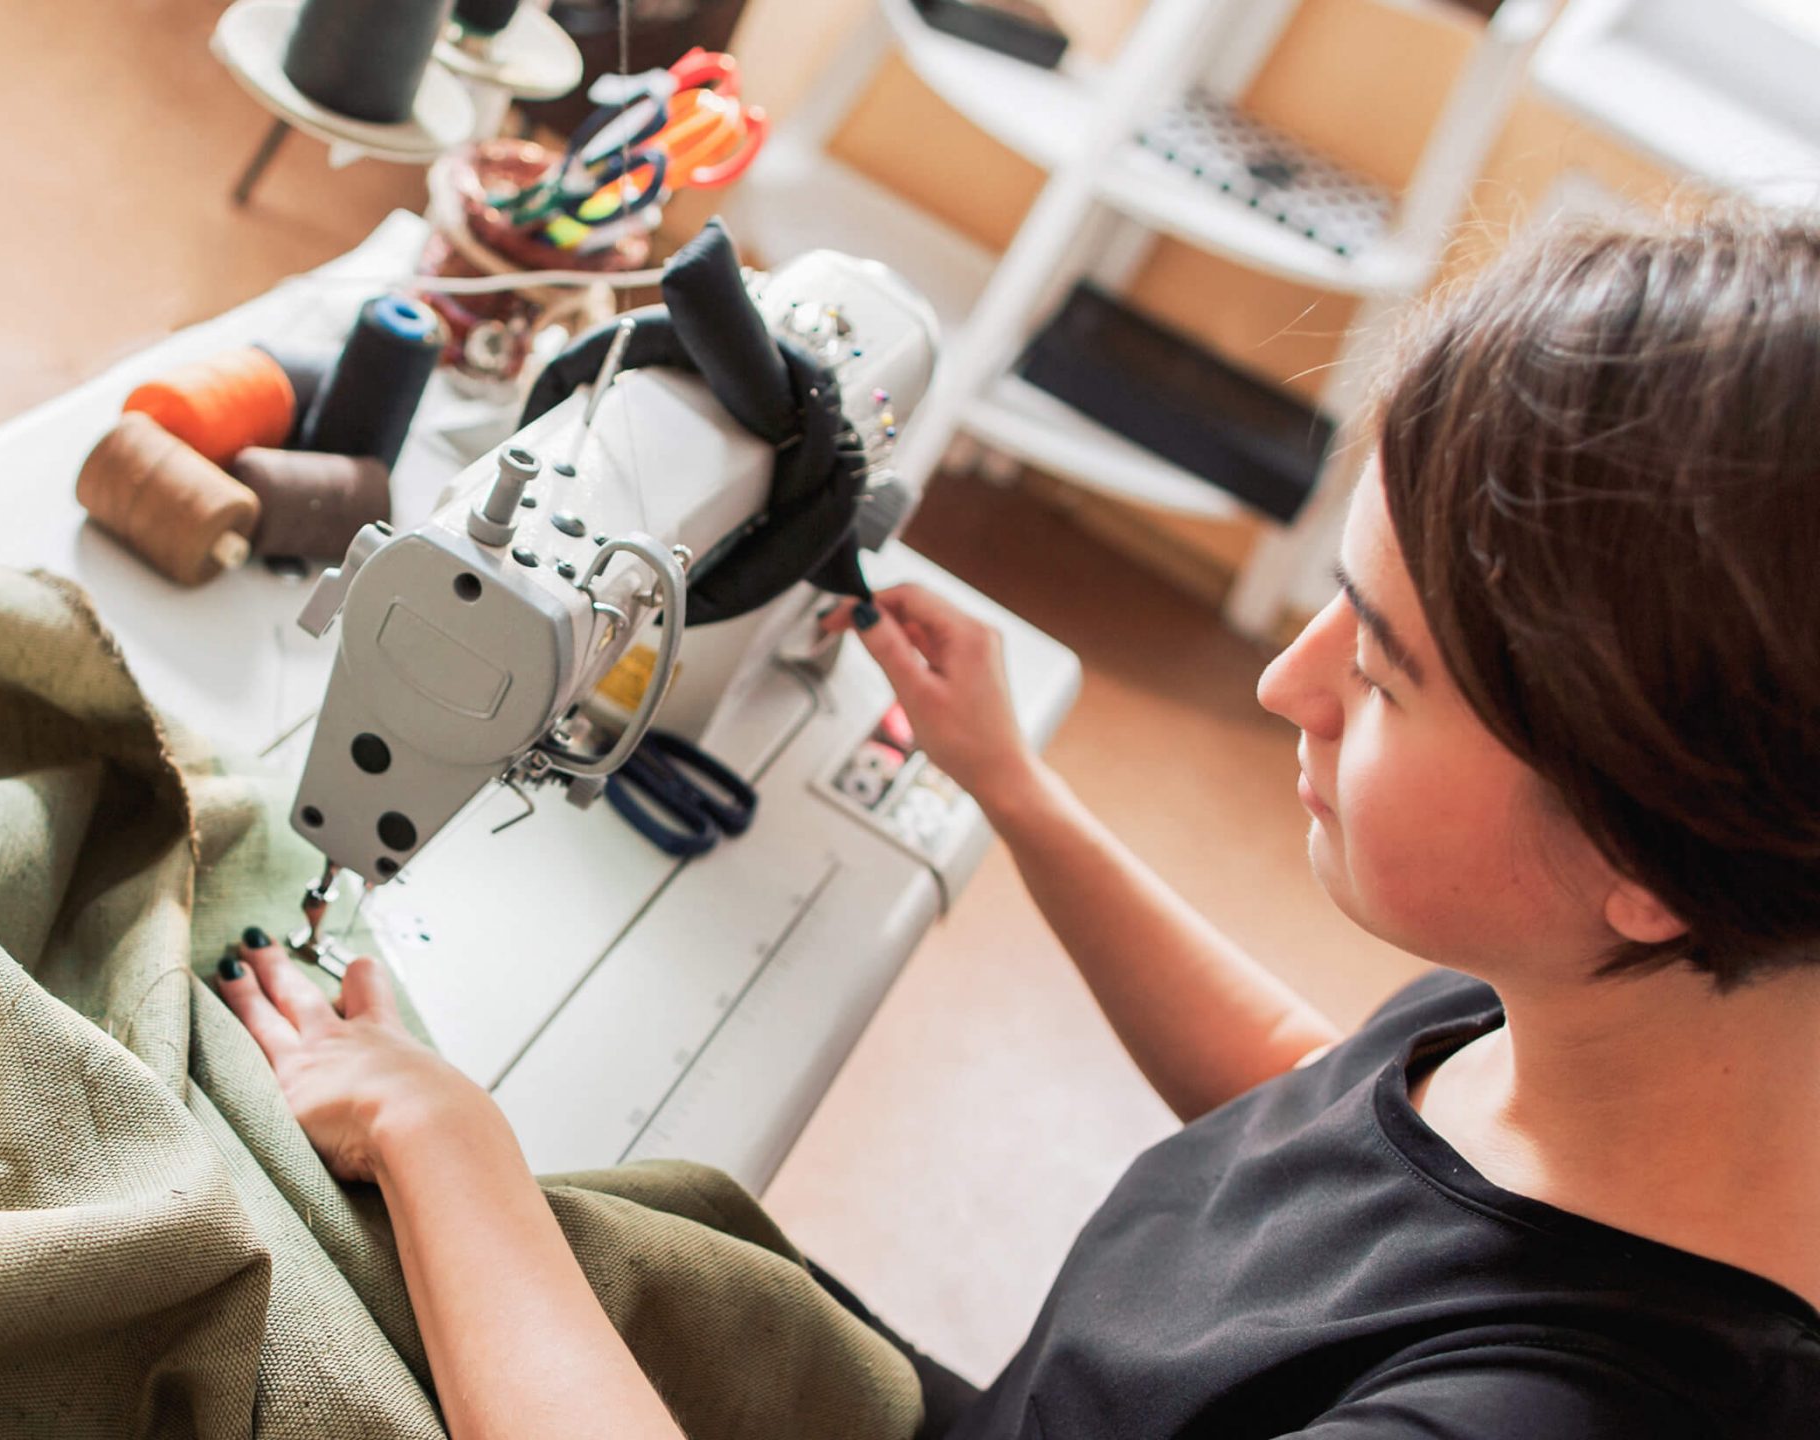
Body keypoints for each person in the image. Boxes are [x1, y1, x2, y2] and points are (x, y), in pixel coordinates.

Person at [210, 209, 1820, 1436]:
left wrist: (446, 1146)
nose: (1285, 685)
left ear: (1645, 857)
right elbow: (1345, 1119)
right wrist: (1016, 792)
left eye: (1384, 676)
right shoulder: (1627, 1045)